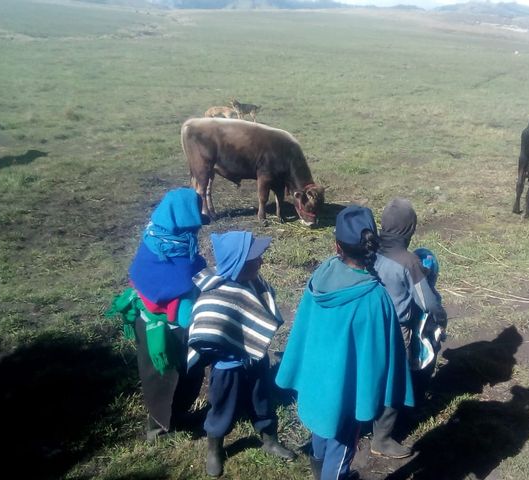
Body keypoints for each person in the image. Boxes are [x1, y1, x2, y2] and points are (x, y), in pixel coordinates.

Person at [275, 205, 414, 480]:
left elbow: (305, 328)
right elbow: (381, 357)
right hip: (348, 392)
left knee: (321, 429)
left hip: (318, 381)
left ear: (337, 246)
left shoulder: (321, 275)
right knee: (341, 446)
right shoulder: (375, 298)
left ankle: (318, 468)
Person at [186, 230, 296, 477]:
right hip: (228, 368)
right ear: (238, 264)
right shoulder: (214, 295)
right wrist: (226, 345)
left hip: (255, 358)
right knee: (222, 407)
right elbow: (207, 331)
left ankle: (269, 439)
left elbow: (261, 312)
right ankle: (214, 448)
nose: (261, 261)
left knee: (262, 400)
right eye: (255, 258)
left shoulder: (254, 282)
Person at [106, 187, 208, 441]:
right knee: (162, 377)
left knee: (176, 373)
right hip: (162, 327)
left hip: (156, 321)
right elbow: (180, 281)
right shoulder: (172, 248)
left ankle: (176, 416)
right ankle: (159, 427)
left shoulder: (155, 236)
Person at [371, 197, 448, 458]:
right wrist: (441, 319)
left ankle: (363, 420)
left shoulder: (369, 249)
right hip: (397, 328)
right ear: (409, 229)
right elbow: (427, 301)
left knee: (373, 375)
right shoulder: (409, 261)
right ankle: (381, 437)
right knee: (395, 379)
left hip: (369, 325)